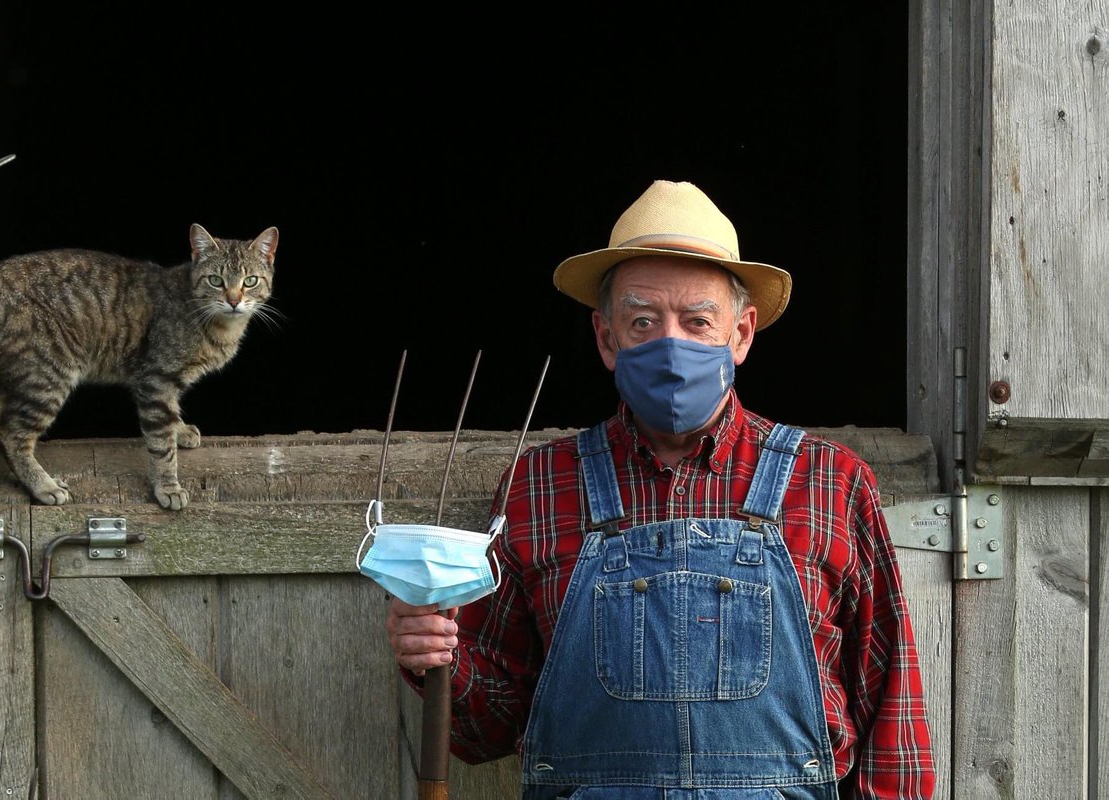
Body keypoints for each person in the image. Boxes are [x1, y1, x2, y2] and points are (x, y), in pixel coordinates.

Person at [384, 179, 936, 799]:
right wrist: (437, 658)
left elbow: (892, 714)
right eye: (643, 321)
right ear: (606, 337)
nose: (671, 345)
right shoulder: (538, 489)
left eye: (698, 321)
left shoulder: (829, 483)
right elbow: (487, 731)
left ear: (742, 333)